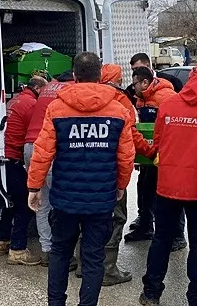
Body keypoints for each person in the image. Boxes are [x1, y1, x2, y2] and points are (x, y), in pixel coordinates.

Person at [27, 52, 136, 306]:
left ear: (74, 76)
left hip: (65, 199)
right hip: (100, 200)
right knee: (94, 257)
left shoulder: (57, 108)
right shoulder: (119, 110)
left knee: (60, 253)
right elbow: (126, 157)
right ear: (100, 77)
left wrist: (34, 186)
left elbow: (43, 151)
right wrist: (121, 186)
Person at [139, 65, 197, 306]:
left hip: (167, 185)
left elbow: (158, 140)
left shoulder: (169, 104)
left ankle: (151, 293)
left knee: (161, 240)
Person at [75, 63, 152, 286]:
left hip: (80, 171)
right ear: (117, 80)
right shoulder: (119, 100)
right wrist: (150, 153)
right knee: (115, 218)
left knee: (85, 217)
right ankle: (107, 270)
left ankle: (83, 265)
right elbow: (130, 138)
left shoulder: (80, 98)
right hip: (109, 173)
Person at [125, 53, 186, 252]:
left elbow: (176, 126)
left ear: (145, 82)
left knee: (171, 195)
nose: (132, 87)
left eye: (135, 83)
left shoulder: (166, 97)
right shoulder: (142, 98)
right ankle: (145, 226)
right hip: (149, 156)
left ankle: (177, 234)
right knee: (145, 189)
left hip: (167, 155)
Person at [23, 69, 77, 268]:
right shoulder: (69, 90)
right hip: (48, 148)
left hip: (29, 146)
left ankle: (47, 251)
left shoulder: (47, 88)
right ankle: (62, 255)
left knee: (42, 204)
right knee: (60, 204)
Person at [0, 76, 48, 265]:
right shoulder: (31, 104)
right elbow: (35, 131)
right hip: (14, 158)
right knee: (26, 204)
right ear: (38, 88)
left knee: (11, 203)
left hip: (1, 159)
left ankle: (1, 241)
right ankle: (17, 250)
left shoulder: (13, 100)